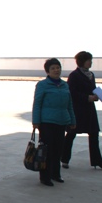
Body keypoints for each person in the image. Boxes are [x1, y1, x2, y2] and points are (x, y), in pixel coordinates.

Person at [62, 51, 102, 170]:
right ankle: (64, 159)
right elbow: (71, 93)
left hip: (89, 110)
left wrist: (99, 95)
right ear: (82, 61)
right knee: (71, 134)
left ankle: (97, 161)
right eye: (88, 60)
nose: (90, 62)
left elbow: (93, 88)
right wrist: (87, 98)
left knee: (94, 134)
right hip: (77, 110)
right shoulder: (74, 75)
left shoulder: (91, 74)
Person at [32, 58, 76, 186]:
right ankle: (45, 176)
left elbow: (69, 104)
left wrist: (72, 120)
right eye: (53, 68)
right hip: (47, 122)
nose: (56, 70)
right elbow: (37, 104)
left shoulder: (64, 85)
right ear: (48, 71)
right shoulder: (42, 85)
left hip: (62, 122)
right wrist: (36, 121)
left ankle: (56, 174)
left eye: (58, 67)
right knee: (47, 150)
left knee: (58, 149)